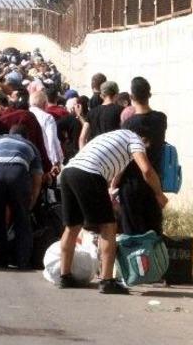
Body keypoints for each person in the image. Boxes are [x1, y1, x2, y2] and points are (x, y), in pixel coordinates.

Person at [57, 128, 167, 295]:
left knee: (72, 226)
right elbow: (146, 170)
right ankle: (107, 280)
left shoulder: (114, 136)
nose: (146, 149)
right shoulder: (135, 140)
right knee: (108, 226)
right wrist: (159, 194)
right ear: (144, 138)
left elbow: (114, 171)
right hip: (89, 173)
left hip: (69, 172)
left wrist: (111, 189)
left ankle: (64, 276)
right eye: (147, 145)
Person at [0, 124, 43, 269]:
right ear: (25, 136)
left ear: (9, 133)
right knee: (22, 219)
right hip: (19, 176)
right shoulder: (30, 145)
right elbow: (37, 176)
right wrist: (32, 200)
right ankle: (23, 261)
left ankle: (1, 259)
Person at [118, 76, 168, 236]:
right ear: (149, 95)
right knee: (154, 234)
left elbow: (123, 160)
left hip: (131, 185)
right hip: (154, 183)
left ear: (131, 97)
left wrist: (113, 185)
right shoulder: (161, 119)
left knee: (133, 237)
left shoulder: (128, 125)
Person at [29, 90, 63, 176]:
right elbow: (52, 139)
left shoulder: (24, 114)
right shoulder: (47, 117)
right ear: (45, 104)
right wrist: (55, 161)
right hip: (44, 158)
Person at [83, 80, 122, 146]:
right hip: (113, 150)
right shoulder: (121, 110)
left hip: (96, 151)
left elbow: (82, 138)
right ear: (116, 95)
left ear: (102, 95)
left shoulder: (91, 113)